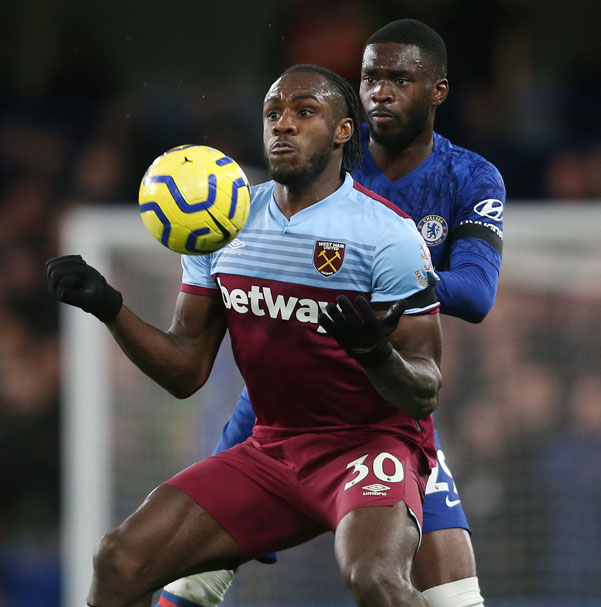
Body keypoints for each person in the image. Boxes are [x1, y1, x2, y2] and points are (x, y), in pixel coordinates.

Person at [47, 64, 444, 607]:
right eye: (273, 113)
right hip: (272, 448)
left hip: (368, 443)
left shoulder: (387, 236)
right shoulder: (224, 225)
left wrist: (377, 355)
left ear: (344, 130)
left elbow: (426, 387)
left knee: (376, 579)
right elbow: (186, 369)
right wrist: (111, 308)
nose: (283, 125)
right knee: (118, 558)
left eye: (305, 112)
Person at [160, 19, 503, 607]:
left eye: (400, 79)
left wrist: (372, 278)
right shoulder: (327, 154)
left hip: (385, 401)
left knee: (454, 595)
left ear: (438, 91)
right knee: (192, 573)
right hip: (279, 403)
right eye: (370, 78)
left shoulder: (469, 176)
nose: (381, 92)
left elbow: (474, 293)